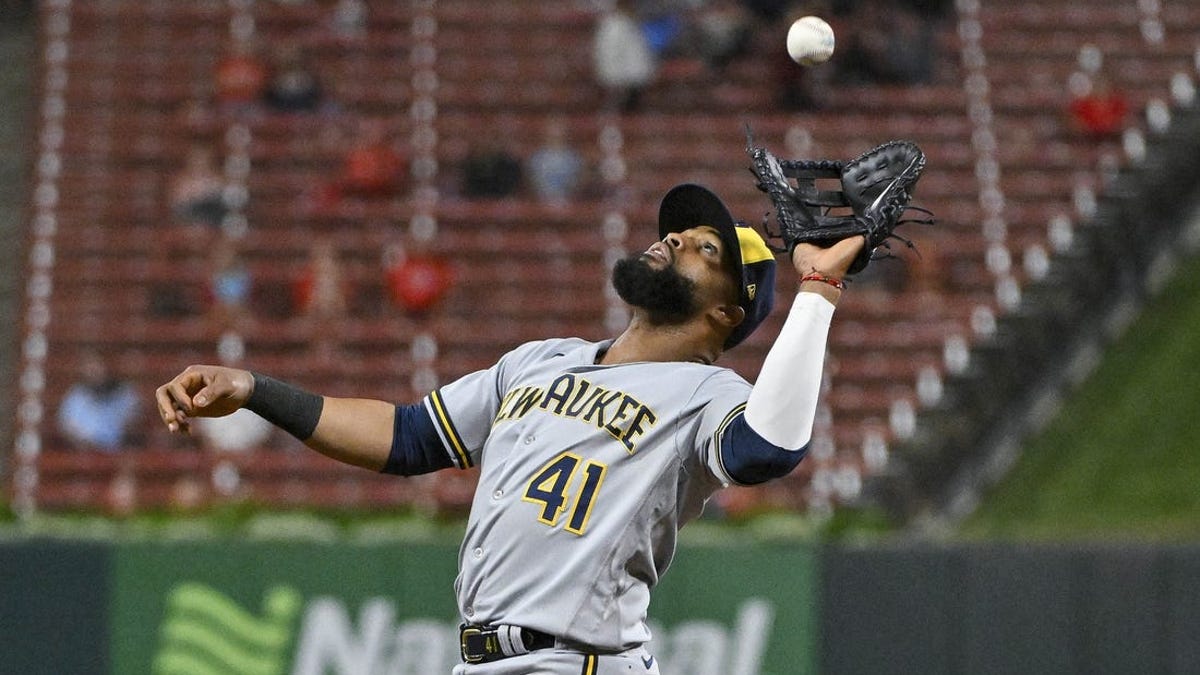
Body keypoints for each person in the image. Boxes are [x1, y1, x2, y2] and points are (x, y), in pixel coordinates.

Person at [156, 182, 865, 673]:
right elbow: (406, 437)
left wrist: (818, 290)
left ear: (724, 316)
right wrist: (253, 390)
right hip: (484, 658)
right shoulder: (540, 360)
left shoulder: (706, 392)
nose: (675, 238)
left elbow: (769, 446)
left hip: (580, 659)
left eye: (704, 250)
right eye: (678, 232)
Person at [58, 350, 140, 452]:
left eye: (98, 367)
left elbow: (133, 421)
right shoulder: (75, 396)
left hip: (118, 451)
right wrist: (84, 443)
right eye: (90, 368)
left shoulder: (125, 393)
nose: (95, 372)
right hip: (85, 453)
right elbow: (67, 427)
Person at [526, 117, 585, 205]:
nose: (556, 134)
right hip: (542, 203)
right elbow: (533, 181)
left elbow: (579, 180)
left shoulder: (574, 158)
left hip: (568, 203)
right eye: (552, 130)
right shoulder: (536, 158)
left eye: (559, 130)